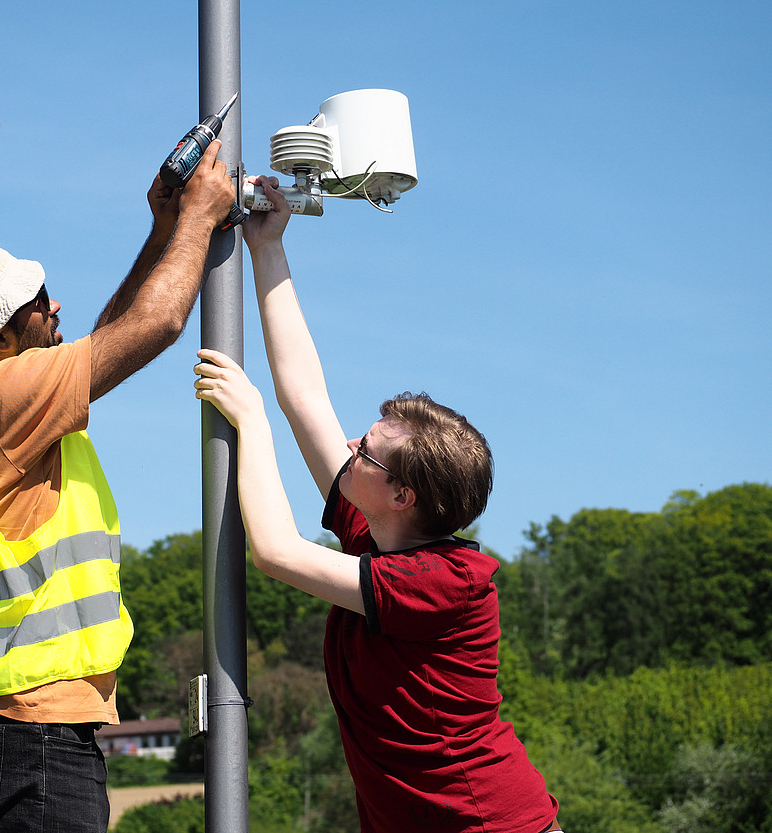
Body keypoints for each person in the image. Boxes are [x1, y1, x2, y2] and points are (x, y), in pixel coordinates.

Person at [193, 176, 562, 832]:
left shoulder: (444, 582)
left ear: (402, 493)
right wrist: (267, 248)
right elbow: (305, 396)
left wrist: (251, 424)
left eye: (366, 448)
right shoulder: (378, 537)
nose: (349, 443)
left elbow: (277, 552)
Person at [0, 142, 236, 833]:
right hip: (31, 725)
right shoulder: (6, 396)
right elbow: (156, 326)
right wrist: (200, 219)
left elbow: (109, 336)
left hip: (15, 720)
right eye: (36, 301)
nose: (55, 305)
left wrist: (163, 230)